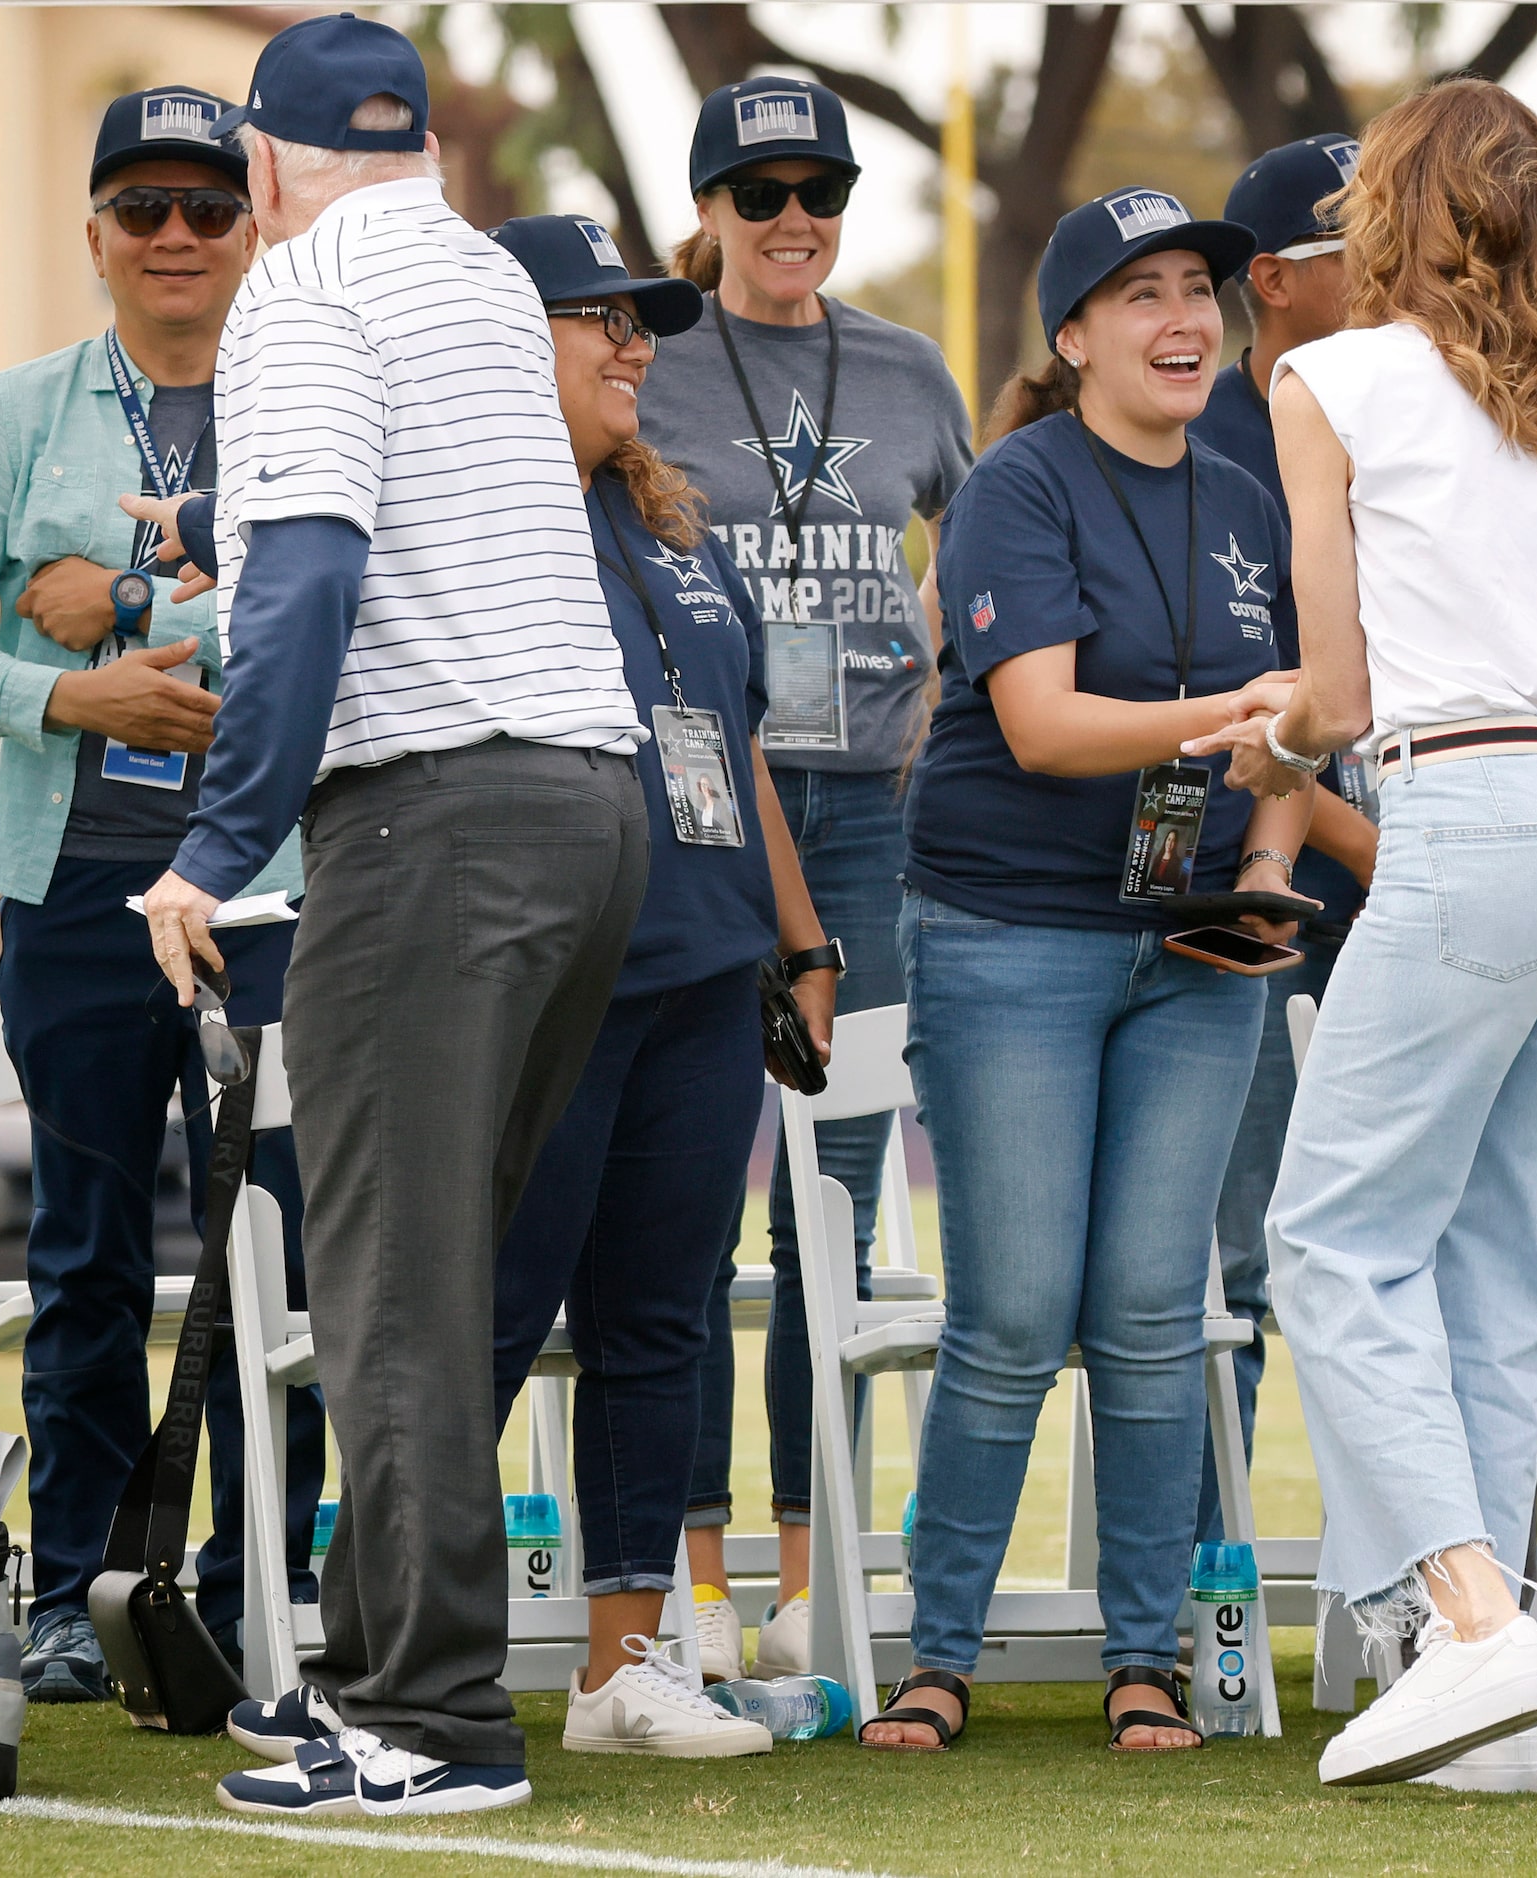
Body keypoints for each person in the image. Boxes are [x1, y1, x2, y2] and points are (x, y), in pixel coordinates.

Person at [133, 16, 651, 1817]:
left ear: (266, 167)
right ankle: (371, 1676)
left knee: (391, 1285)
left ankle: (426, 1721)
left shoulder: (296, 294)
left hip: (434, 821)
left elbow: (317, 586)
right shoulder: (492, 281)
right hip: (590, 807)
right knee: (430, 1266)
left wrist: (213, 848)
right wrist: (232, 515)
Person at [1185, 78, 1537, 1792]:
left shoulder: (1330, 378)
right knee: (1482, 1250)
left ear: (1386, 211)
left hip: (1472, 822)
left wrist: (1278, 743)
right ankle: (1483, 1699)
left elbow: (1343, 688)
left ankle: (1470, 1626)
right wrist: (1318, 717)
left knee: (1329, 1240)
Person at [867, 185, 1310, 1755]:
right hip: (1011, 934)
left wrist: (1263, 865)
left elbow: (1289, 735)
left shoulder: (1254, 500)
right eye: (1141, 296)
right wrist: (1233, 722)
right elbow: (1048, 725)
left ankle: (1143, 1659)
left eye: (1199, 287)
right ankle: (939, 1655)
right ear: (1071, 339)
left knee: (1146, 1307)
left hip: (1196, 945)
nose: (1185, 319)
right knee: (1011, 1310)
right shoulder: (1015, 485)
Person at [480, 213, 844, 1757]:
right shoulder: (463, 518)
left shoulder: (670, 526)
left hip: (703, 967)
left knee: (658, 1321)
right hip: (545, 978)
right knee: (481, 1319)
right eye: (595, 318)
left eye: (640, 319)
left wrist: (800, 936)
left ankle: (624, 1668)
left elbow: (736, 743)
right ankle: (381, 1642)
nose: (634, 342)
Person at [629, 78, 972, 1681]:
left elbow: (981, 565)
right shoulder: (649, 363)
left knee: (832, 1211)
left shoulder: (909, 368)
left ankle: (808, 1568)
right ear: (706, 212)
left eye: (816, 189)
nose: (790, 220)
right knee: (686, 1201)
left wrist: (950, 665)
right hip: (698, 815)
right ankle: (686, 1569)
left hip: (871, 821)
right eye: (756, 192)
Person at [0, 84, 321, 1703]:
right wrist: (70, 694)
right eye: (144, 209)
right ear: (98, 230)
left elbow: (362, 609)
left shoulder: (308, 399)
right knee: (93, 1256)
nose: (177, 236)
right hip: (77, 890)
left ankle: (266, 1580)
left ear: (253, 227)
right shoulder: (18, 411)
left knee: (289, 1253)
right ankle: (72, 1591)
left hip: (279, 889)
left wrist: (112, 599)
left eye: (207, 206)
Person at [1185, 131, 1381, 1547]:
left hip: (1424, 897)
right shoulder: (1205, 446)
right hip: (1265, 910)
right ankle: (1213, 1588)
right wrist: (1379, 853)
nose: (1400, 262)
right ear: (1279, 283)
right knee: (1236, 1260)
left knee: (1421, 1251)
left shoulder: (1427, 407)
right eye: (1361, 243)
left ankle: (1466, 1590)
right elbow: (1242, 722)